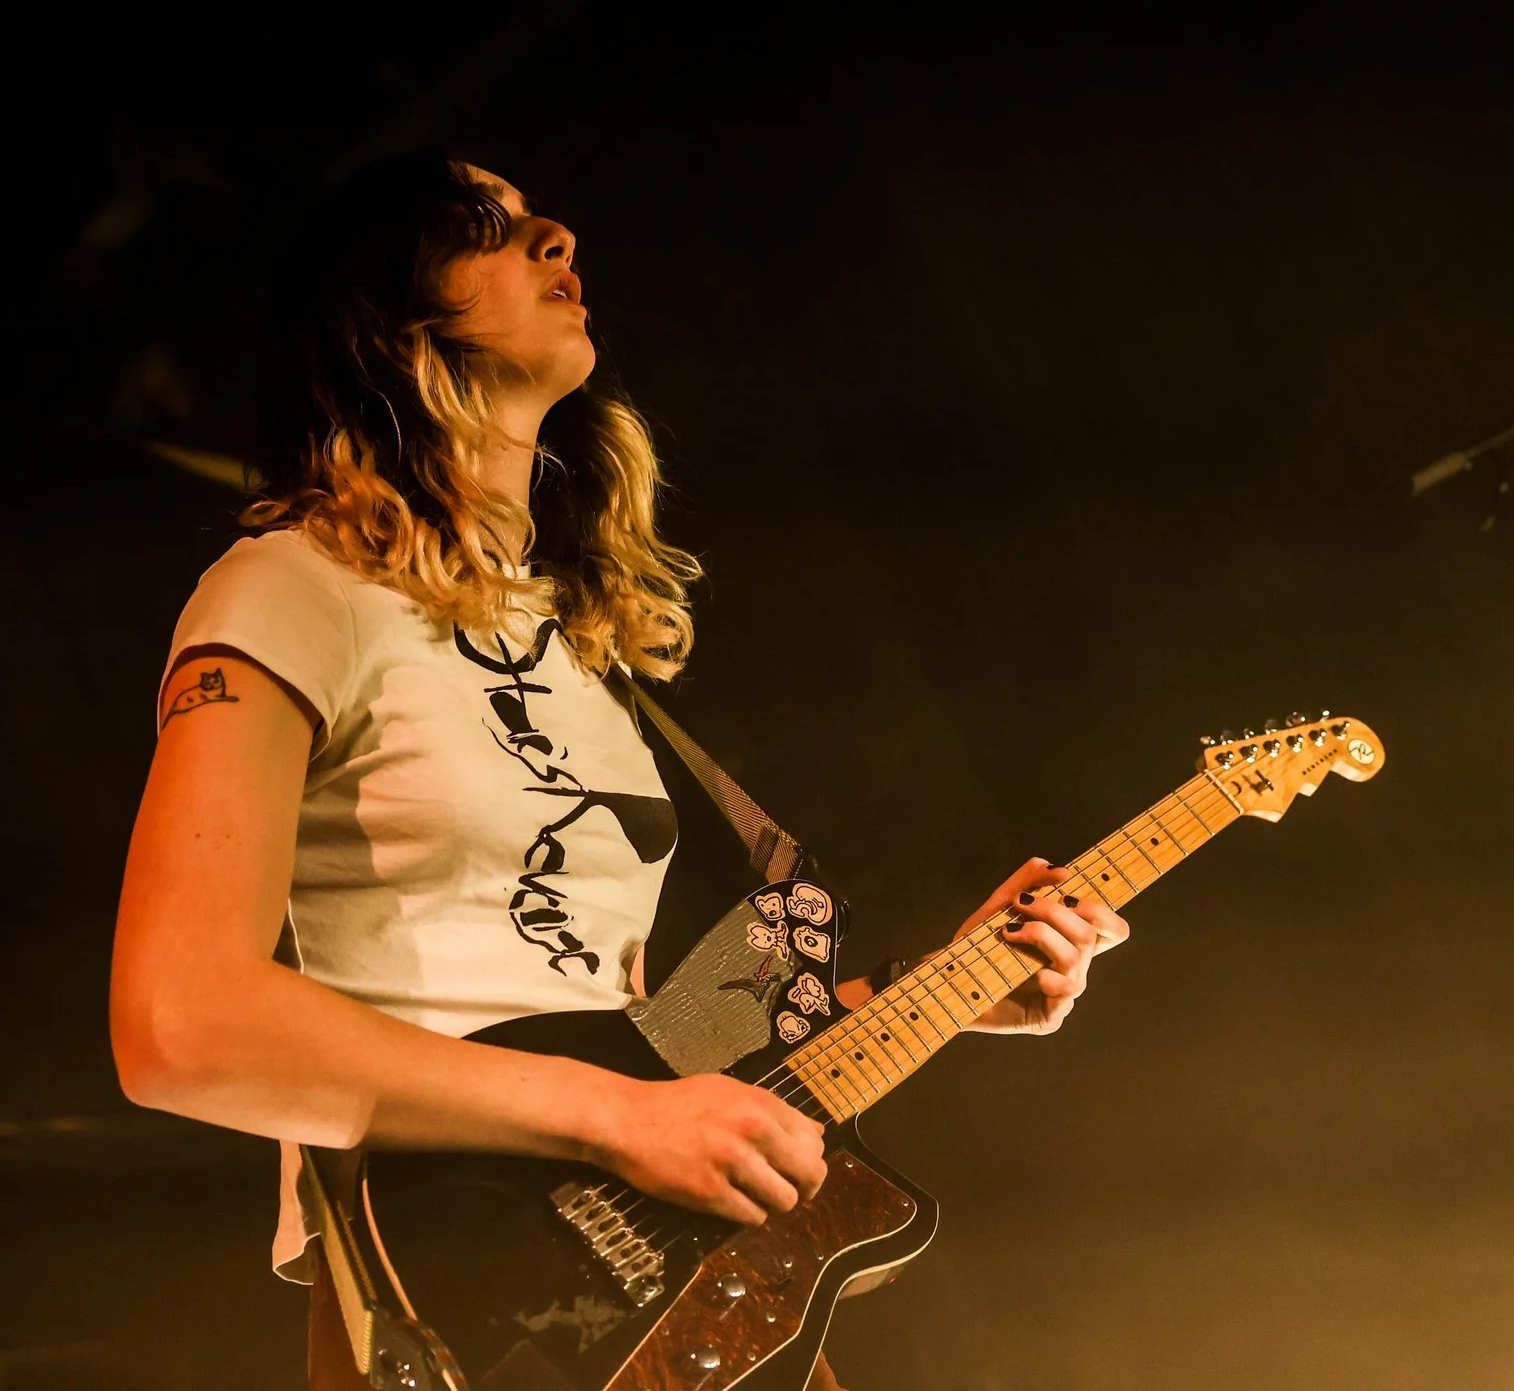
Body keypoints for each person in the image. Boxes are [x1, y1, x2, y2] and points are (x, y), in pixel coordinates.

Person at [109, 152, 1128, 1388]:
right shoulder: (290, 583)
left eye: (543, 218)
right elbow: (179, 1021)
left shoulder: (575, 647)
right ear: (383, 314)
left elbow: (657, 1043)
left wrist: (946, 986)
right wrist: (617, 1116)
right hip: (458, 1284)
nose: (557, 237)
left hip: (665, 1275)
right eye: (484, 224)